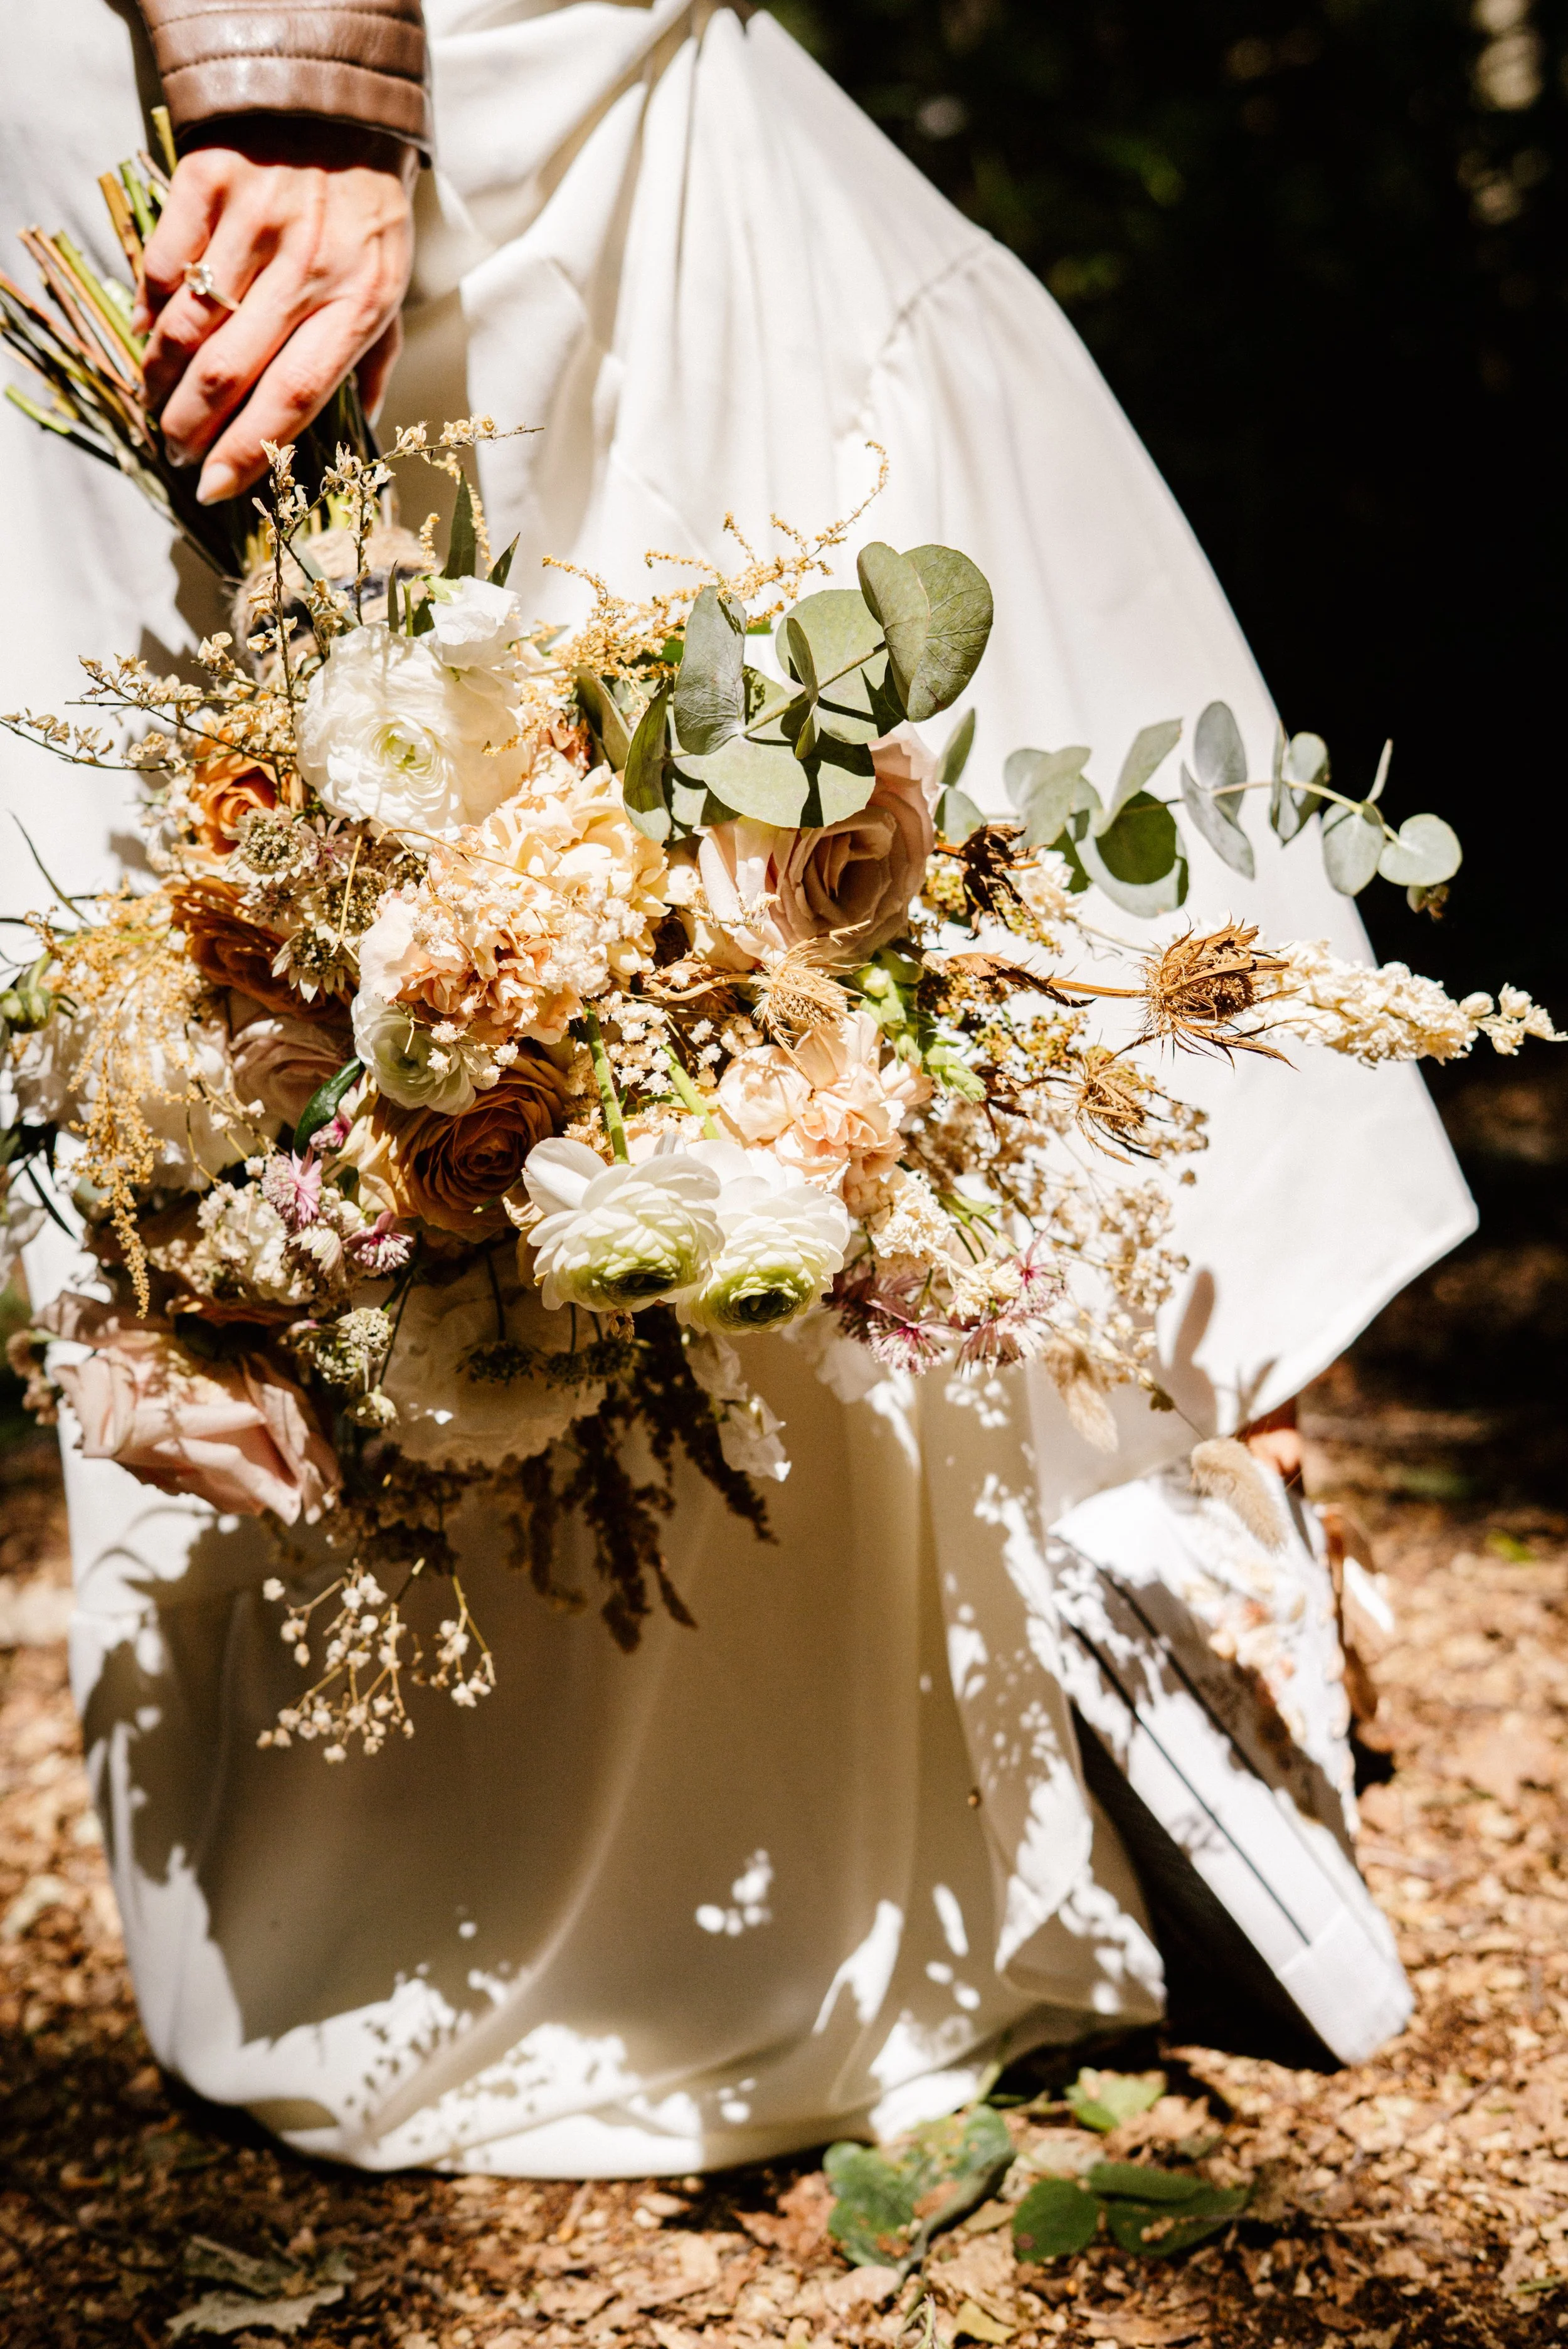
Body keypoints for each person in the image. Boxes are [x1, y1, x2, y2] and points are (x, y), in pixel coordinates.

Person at [2, 2, 1473, 2175]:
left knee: (736, 765)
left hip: (530, 52)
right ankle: (499, 1837)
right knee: (282, 844)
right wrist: (294, 76)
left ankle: (1028, 1648)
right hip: (280, 75)